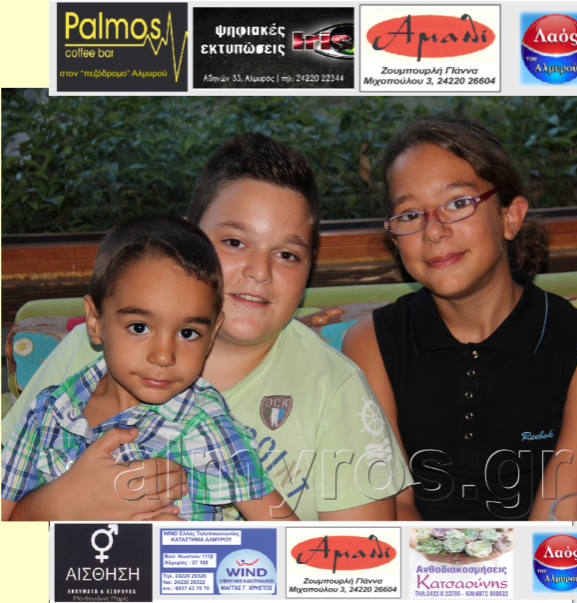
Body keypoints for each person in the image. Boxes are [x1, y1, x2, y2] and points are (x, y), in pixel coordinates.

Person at [2, 133, 409, 521]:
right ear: (187, 242)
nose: (260, 271)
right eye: (234, 242)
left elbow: (357, 555)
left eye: (287, 254)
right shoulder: (83, 355)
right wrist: (59, 505)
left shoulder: (334, 388)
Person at [342, 116, 577, 521]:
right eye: (409, 214)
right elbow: (394, 506)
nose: (433, 231)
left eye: (458, 203)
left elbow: (562, 513)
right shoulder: (370, 343)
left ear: (510, 218)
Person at [2, 214, 297, 522]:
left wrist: (194, 544)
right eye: (139, 327)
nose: (164, 356)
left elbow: (289, 540)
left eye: (188, 333)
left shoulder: (204, 425)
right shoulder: (47, 412)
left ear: (211, 335)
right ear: (95, 321)